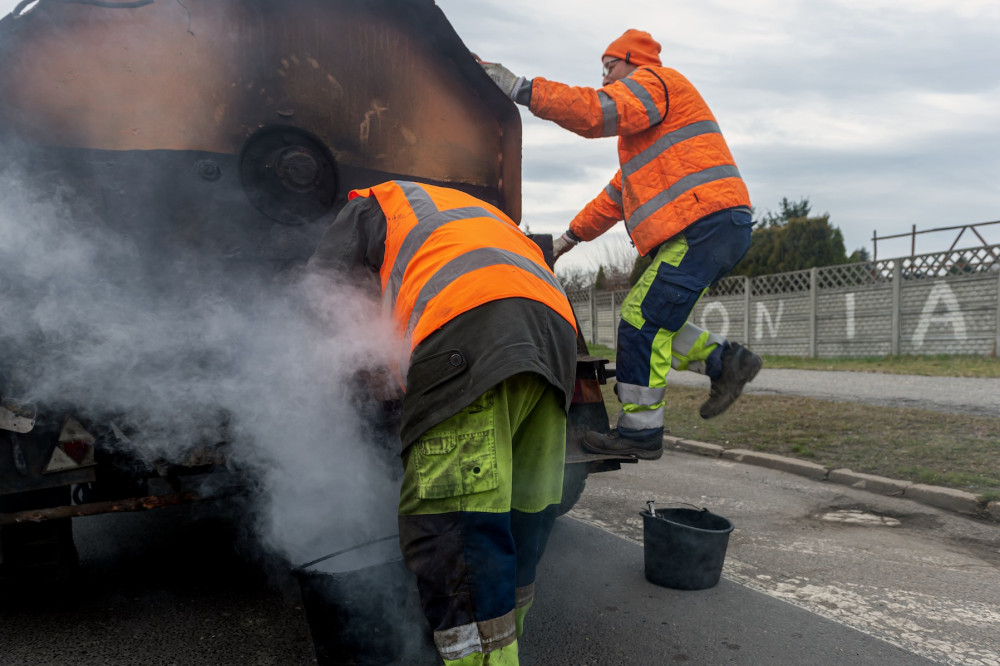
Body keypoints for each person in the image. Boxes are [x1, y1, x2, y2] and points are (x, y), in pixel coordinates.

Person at [307, 180, 577, 666]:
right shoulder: (463, 212)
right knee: (521, 513)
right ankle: (505, 648)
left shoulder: (372, 203)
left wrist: (346, 382)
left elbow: (326, 295)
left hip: (464, 331)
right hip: (554, 337)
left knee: (456, 532)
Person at [481, 29, 762, 460]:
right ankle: (727, 362)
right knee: (656, 320)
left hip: (705, 223)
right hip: (711, 224)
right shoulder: (645, 139)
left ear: (634, 60)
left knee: (638, 321)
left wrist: (521, 89)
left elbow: (596, 112)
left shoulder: (655, 84)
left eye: (610, 67)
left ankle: (640, 432)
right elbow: (617, 196)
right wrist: (568, 239)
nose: (606, 79)